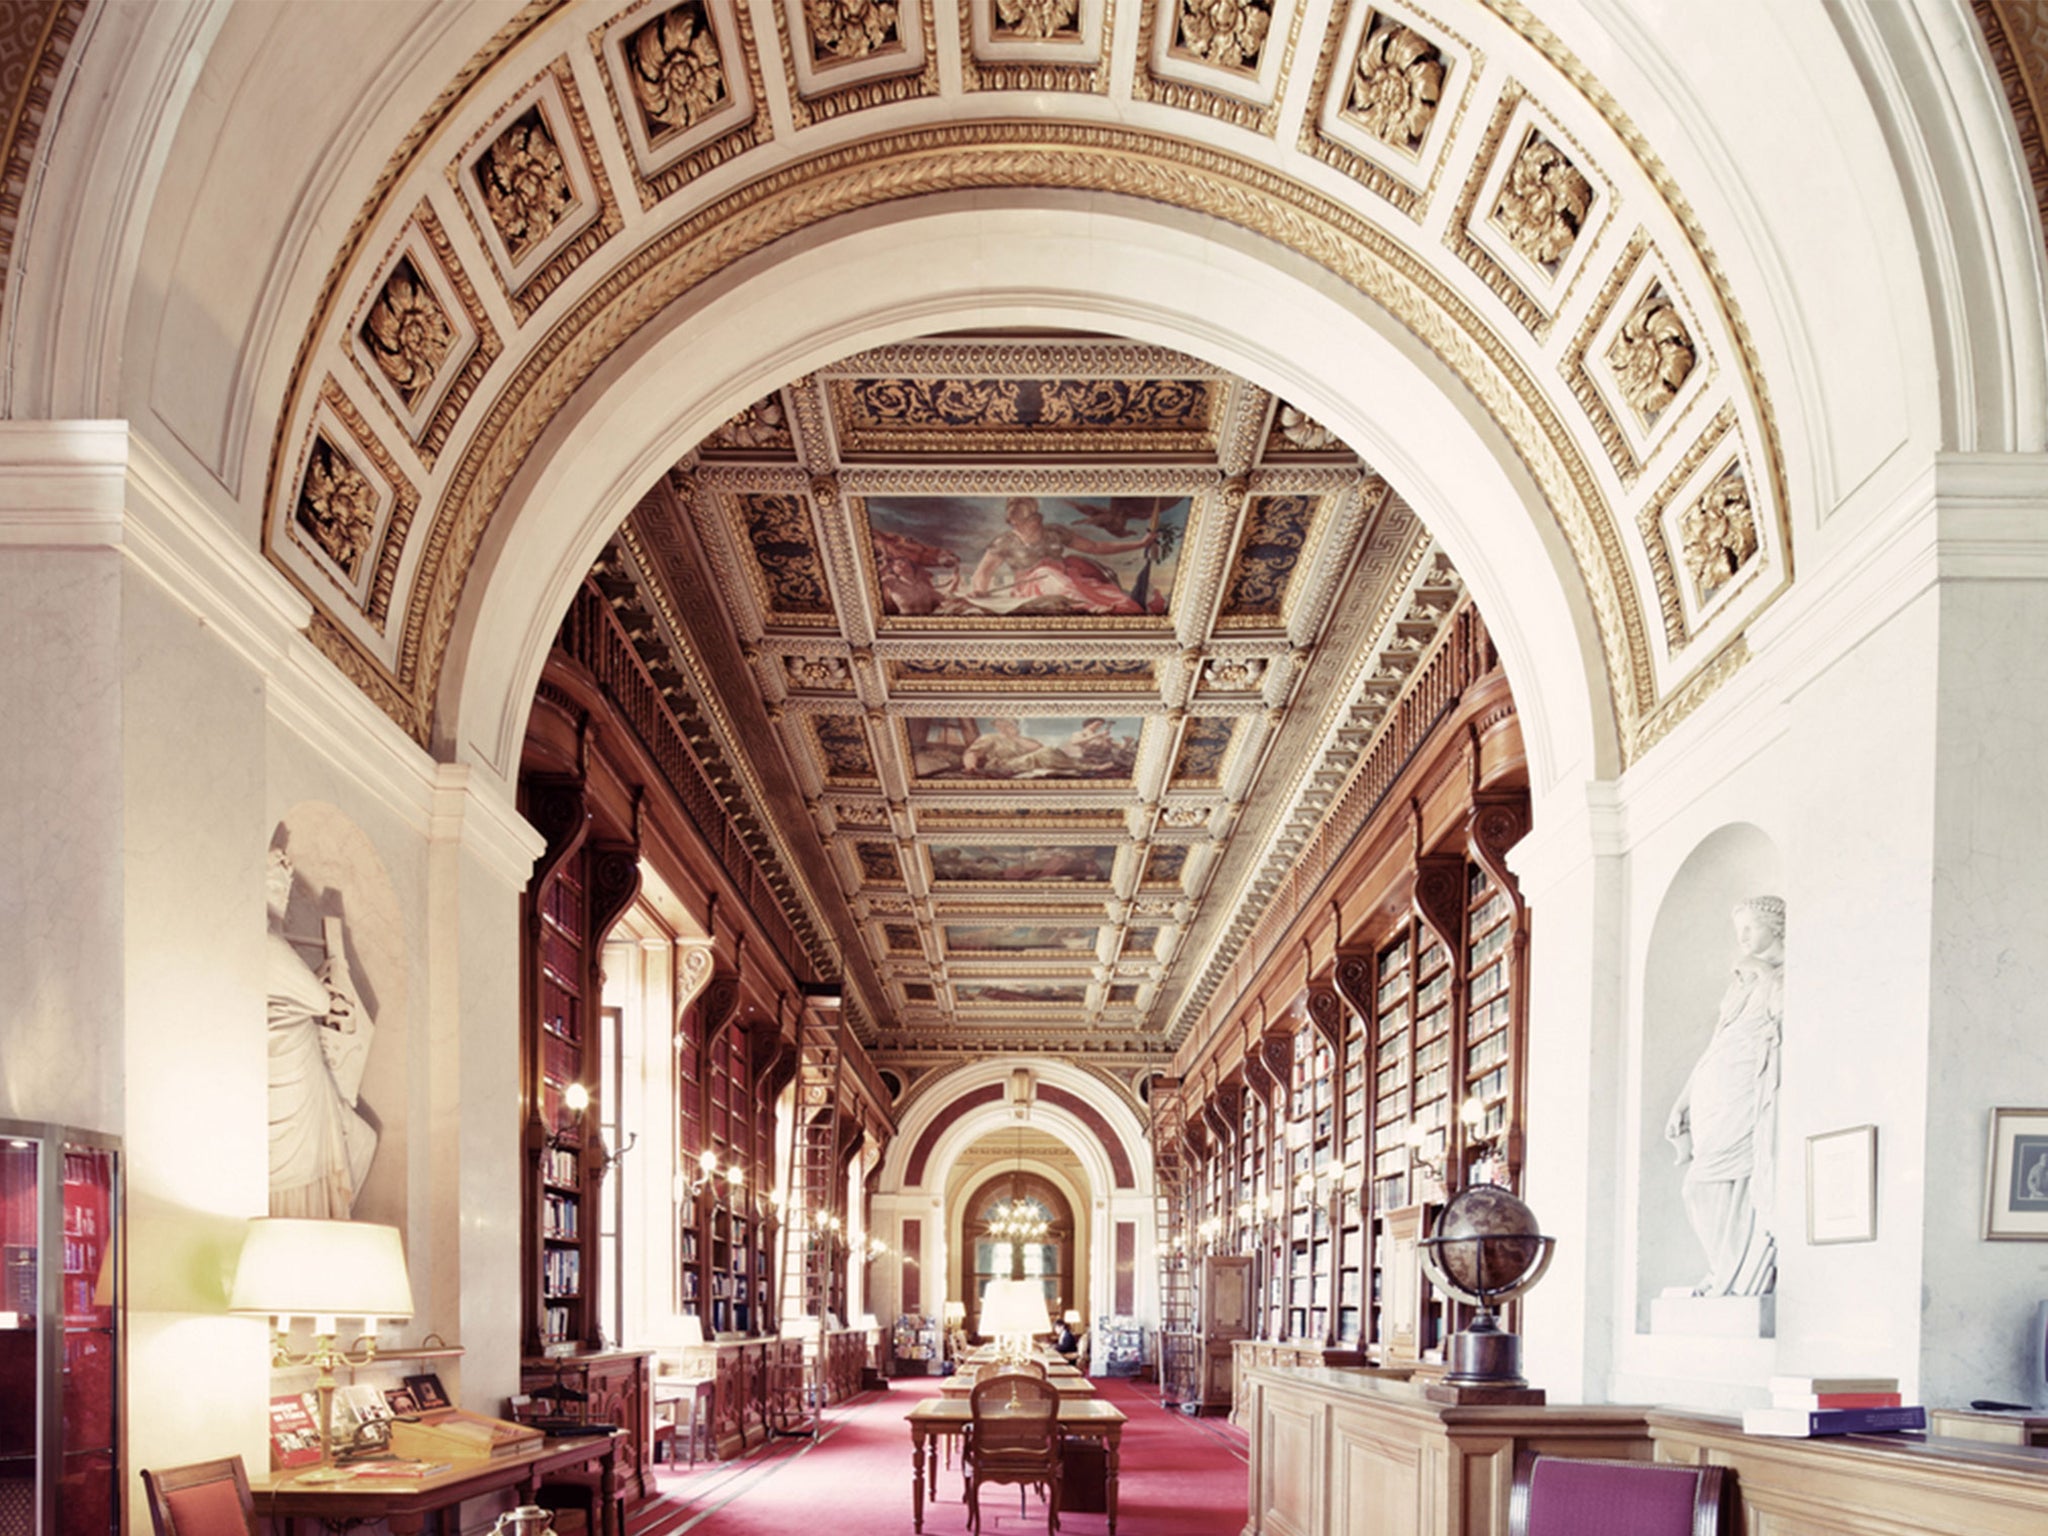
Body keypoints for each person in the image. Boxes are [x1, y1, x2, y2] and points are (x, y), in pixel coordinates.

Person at [1664, 895, 1785, 1297]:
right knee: (1697, 1183)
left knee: (1728, 1180)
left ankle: (1738, 1273)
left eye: (1751, 927)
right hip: (1715, 1088)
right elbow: (1715, 1044)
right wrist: (1682, 1101)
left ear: (1776, 926)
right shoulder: (1740, 984)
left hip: (1749, 1087)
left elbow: (1785, 1013)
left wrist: (1765, 975)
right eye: (1739, 931)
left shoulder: (1784, 975)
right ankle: (1724, 1269)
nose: (1744, 937)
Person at [266, 846, 378, 1216]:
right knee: (305, 1179)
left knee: (361, 1140)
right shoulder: (265, 943)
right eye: (275, 883)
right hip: (287, 1073)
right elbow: (314, 1000)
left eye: (285, 883)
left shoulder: (274, 944)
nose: (283, 892)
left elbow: (306, 997)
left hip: (300, 1066)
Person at [967, 497, 1159, 615]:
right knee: (1048, 573)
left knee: (1122, 602)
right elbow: (983, 572)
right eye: (1014, 523)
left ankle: (1089, 601)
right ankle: (1086, 606)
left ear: (1036, 519)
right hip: (1031, 587)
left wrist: (1139, 544)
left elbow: (1095, 546)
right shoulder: (1005, 541)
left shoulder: (1055, 532)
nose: (1017, 527)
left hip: (1068, 581)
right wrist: (979, 590)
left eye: (1023, 521)